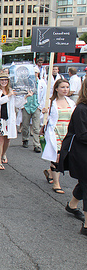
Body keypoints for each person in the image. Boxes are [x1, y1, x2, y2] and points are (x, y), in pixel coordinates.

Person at [58, 78, 87, 235]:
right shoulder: (81, 109)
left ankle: (72, 205)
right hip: (81, 154)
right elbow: (83, 135)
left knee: (84, 183)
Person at [42, 79, 75, 194]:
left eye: (67, 87)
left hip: (68, 133)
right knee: (57, 158)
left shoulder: (71, 102)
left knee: (65, 156)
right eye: (62, 87)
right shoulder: (51, 103)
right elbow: (45, 120)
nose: (65, 89)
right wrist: (44, 112)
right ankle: (56, 184)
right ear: (56, 89)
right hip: (55, 132)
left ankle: (49, 171)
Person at [0, 71, 17, 170]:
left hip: (9, 119)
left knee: (7, 140)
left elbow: (17, 104)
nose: (4, 82)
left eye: (5, 80)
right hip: (0, 118)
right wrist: (8, 96)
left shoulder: (11, 90)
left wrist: (25, 97)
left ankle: (3, 153)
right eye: (2, 80)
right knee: (0, 140)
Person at [21, 67, 44, 153]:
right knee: (25, 125)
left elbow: (44, 95)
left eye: (35, 73)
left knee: (36, 127)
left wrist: (40, 106)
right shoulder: (25, 83)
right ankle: (25, 139)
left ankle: (36, 144)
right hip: (26, 106)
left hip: (36, 106)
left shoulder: (42, 83)